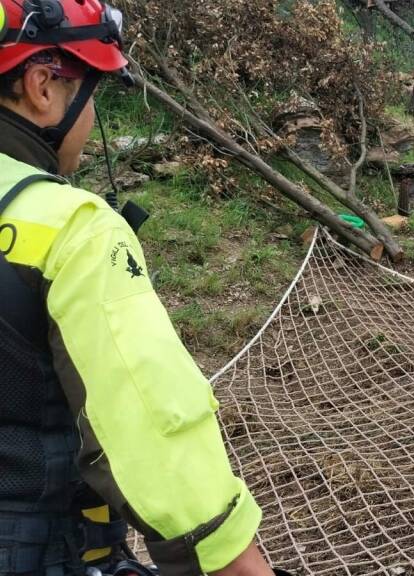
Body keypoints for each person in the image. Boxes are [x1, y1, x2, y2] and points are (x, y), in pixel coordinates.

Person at [0, 1, 279, 574]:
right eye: (92, 89)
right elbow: (153, 433)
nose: (93, 111)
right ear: (42, 87)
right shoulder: (73, 230)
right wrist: (235, 559)